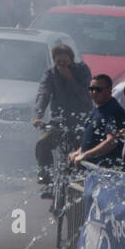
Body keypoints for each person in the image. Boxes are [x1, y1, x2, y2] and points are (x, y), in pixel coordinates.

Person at [33, 44, 93, 195]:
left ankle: (81, 183)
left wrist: (70, 78)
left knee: (83, 150)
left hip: (80, 121)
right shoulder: (51, 73)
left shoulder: (82, 71)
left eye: (65, 63)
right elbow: (44, 93)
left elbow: (86, 96)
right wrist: (38, 116)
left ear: (72, 60)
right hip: (59, 121)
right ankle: (46, 179)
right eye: (59, 63)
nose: (62, 66)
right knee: (42, 144)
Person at [69, 74, 125, 168]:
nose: (94, 92)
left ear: (109, 90)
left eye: (98, 89)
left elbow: (112, 141)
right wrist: (79, 152)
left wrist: (86, 155)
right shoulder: (97, 108)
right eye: (91, 89)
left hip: (106, 170)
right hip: (91, 169)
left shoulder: (112, 110)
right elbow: (91, 138)